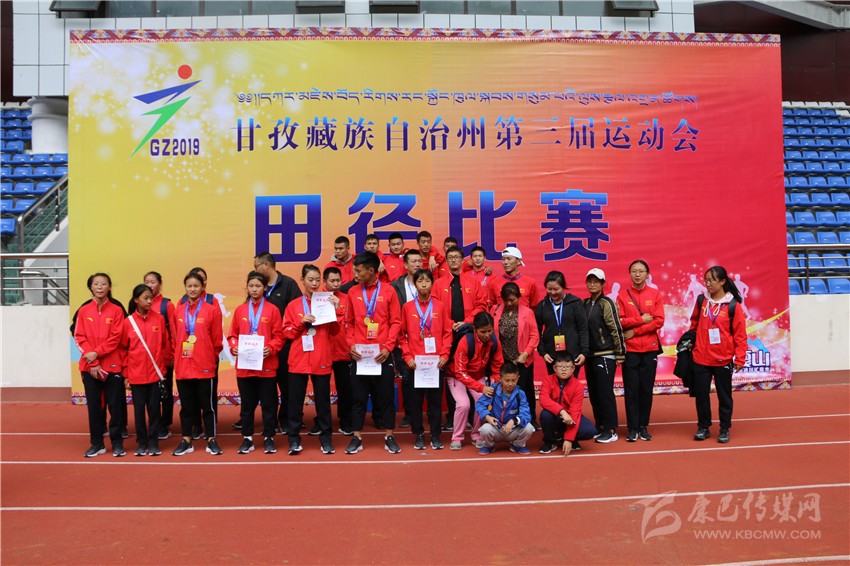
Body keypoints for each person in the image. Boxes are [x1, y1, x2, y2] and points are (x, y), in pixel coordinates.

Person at [344, 251, 403, 454]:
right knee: (358, 398)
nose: (355, 274)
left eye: (358, 271)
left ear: (371, 270)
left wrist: (388, 347)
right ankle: (356, 437)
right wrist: (351, 344)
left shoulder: (389, 291)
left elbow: (396, 322)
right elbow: (349, 322)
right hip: (360, 356)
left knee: (385, 398)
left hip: (382, 355)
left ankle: (389, 436)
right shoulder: (353, 292)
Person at [283, 264, 341, 455]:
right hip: (298, 359)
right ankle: (293, 439)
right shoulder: (293, 305)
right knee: (295, 402)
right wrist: (300, 323)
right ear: (302, 280)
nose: (314, 283)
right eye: (310, 279)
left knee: (323, 402)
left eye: (317, 280)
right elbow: (287, 333)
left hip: (321, 357)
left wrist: (337, 310)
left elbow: (335, 331)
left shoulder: (327, 301)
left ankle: (326, 439)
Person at [688, 266, 748, 444]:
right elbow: (694, 324)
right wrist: (690, 341)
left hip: (723, 359)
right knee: (701, 395)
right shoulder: (701, 301)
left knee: (724, 396)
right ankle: (703, 427)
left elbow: (740, 335)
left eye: (711, 280)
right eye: (706, 280)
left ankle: (724, 428)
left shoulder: (733, 306)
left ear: (722, 281)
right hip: (700, 357)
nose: (707, 284)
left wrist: (740, 357)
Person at [227, 271, 285, 455]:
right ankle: (247, 438)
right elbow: (232, 336)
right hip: (245, 367)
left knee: (269, 405)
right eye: (251, 286)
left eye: (258, 286)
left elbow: (279, 336)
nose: (254, 289)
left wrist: (271, 348)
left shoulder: (273, 310)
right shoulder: (240, 310)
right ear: (247, 288)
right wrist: (234, 347)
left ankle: (269, 438)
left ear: (264, 288)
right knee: (247, 406)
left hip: (266, 367)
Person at [434, 245, 487, 430]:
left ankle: (472, 416)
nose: (454, 260)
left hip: (468, 333)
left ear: (463, 260)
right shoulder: (439, 283)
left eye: (457, 257)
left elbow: (481, 306)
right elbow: (434, 307)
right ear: (447, 261)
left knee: (468, 371)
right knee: (451, 373)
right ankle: (451, 416)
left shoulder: (473, 282)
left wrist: (466, 322)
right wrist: (449, 323)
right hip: (447, 334)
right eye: (450, 258)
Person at [398, 268, 452, 450]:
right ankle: (419, 434)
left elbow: (447, 333)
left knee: (435, 403)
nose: (423, 284)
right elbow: (402, 335)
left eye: (427, 281)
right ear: (415, 284)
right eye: (420, 281)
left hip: (436, 363)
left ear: (432, 284)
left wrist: (445, 355)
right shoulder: (407, 307)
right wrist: (407, 356)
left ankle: (435, 435)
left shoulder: (440, 306)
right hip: (415, 364)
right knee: (416, 403)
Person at [74, 273, 127, 458]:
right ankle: (97, 444)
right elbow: (79, 336)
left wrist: (96, 353)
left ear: (109, 287)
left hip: (112, 366)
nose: (99, 287)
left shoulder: (117, 310)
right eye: (96, 284)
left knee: (116, 407)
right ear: (91, 287)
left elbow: (116, 338)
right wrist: (94, 361)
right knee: (95, 408)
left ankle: (117, 443)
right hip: (90, 368)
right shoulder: (83, 311)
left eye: (103, 284)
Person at [171, 271, 223, 456]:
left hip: (204, 365)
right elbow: (174, 339)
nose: (192, 289)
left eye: (196, 286)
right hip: (183, 366)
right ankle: (186, 440)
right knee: (186, 407)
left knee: (208, 406)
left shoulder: (211, 310)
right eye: (189, 286)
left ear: (202, 288)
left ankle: (211, 439)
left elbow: (217, 340)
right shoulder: (178, 311)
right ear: (185, 288)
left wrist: (208, 356)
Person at [253, 252, 302, 435]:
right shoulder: (258, 286)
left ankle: (287, 420)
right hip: (262, 347)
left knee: (288, 386)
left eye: (256, 266)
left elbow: (297, 311)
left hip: (285, 346)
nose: (255, 270)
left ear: (266, 265)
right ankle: (270, 422)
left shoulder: (288, 284)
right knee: (267, 388)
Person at [617, 259, 665, 443]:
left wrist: (635, 331)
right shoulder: (622, 295)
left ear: (647, 274)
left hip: (650, 349)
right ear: (630, 274)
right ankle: (632, 428)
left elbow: (659, 320)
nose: (637, 274)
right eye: (634, 271)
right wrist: (641, 319)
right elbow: (620, 321)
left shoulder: (655, 294)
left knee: (646, 389)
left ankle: (643, 426)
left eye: (641, 271)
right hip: (630, 350)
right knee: (631, 390)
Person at [445, 311, 504, 450]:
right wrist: (481, 387)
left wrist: (496, 384)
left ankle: (476, 434)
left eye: (490, 331)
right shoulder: (465, 341)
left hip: (478, 376)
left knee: (482, 401)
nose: (487, 335)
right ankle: (457, 437)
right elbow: (460, 372)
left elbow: (497, 367)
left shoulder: (495, 341)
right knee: (463, 404)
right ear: (475, 329)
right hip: (456, 376)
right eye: (483, 331)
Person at [121, 284, 168, 457]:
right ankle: (142, 443)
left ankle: (154, 442)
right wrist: (126, 374)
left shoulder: (159, 319)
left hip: (155, 374)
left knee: (155, 410)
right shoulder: (128, 322)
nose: (149, 301)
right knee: (139, 412)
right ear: (136, 300)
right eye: (145, 298)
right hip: (136, 374)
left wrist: (162, 370)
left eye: (151, 298)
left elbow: (164, 344)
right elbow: (124, 350)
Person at [583, 268, 626, 444]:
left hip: (606, 354)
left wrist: (620, 353)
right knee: (594, 393)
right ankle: (600, 426)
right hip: (590, 355)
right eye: (590, 281)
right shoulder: (585, 303)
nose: (592, 284)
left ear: (602, 284)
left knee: (604, 393)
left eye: (596, 281)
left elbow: (615, 328)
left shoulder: (606, 303)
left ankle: (610, 429)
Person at [493, 282, 541, 429]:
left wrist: (525, 354)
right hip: (503, 358)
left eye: (512, 300)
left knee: (525, 389)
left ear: (519, 297)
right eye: (506, 300)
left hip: (521, 359)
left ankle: (530, 418)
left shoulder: (528, 312)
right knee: (503, 388)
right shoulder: (495, 310)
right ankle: (504, 418)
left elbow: (534, 336)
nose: (509, 303)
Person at [538, 352, 597, 455]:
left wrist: (569, 439)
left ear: (573, 368)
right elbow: (543, 399)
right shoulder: (548, 380)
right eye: (560, 367)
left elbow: (575, 411)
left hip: (570, 417)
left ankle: (566, 437)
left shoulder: (578, 386)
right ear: (554, 368)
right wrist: (562, 411)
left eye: (567, 367)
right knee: (545, 415)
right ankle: (549, 441)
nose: (564, 370)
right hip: (555, 415)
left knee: (589, 430)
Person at [391, 249, 424, 428]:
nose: (417, 264)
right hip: (403, 338)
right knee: (406, 377)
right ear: (405, 265)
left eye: (419, 261)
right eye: (413, 261)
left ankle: (425, 412)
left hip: (425, 339)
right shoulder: (395, 286)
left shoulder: (428, 283)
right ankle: (409, 413)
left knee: (426, 375)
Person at [535, 270, 589, 379]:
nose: (553, 292)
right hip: (551, 355)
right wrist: (543, 353)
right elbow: (536, 331)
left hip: (573, 354)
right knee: (554, 384)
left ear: (563, 287)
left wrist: (584, 352)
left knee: (571, 384)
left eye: (556, 289)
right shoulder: (542, 305)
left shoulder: (575, 303)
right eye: (549, 289)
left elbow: (583, 329)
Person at [475, 362, 535, 455]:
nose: (510, 384)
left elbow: (526, 413)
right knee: (485, 429)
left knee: (529, 428)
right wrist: (487, 417)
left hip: (512, 429)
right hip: (496, 428)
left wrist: (514, 421)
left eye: (513, 380)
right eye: (507, 380)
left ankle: (517, 445)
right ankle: (489, 445)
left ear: (518, 378)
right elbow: (480, 405)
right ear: (500, 379)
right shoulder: (492, 390)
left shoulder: (521, 394)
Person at [321, 267, 354, 436]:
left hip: (343, 351)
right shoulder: (317, 299)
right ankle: (322, 422)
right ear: (324, 282)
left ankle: (346, 421)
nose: (335, 284)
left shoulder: (347, 299)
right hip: (323, 351)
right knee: (321, 390)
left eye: (338, 280)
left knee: (345, 390)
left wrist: (339, 306)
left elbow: (350, 321)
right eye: (332, 281)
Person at [143, 271, 176, 440]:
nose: (149, 285)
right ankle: (153, 423)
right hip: (146, 358)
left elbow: (174, 332)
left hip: (164, 356)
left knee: (165, 392)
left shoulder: (166, 305)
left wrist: (172, 354)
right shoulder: (140, 303)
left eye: (153, 282)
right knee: (150, 394)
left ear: (159, 284)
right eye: (147, 282)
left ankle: (165, 424)